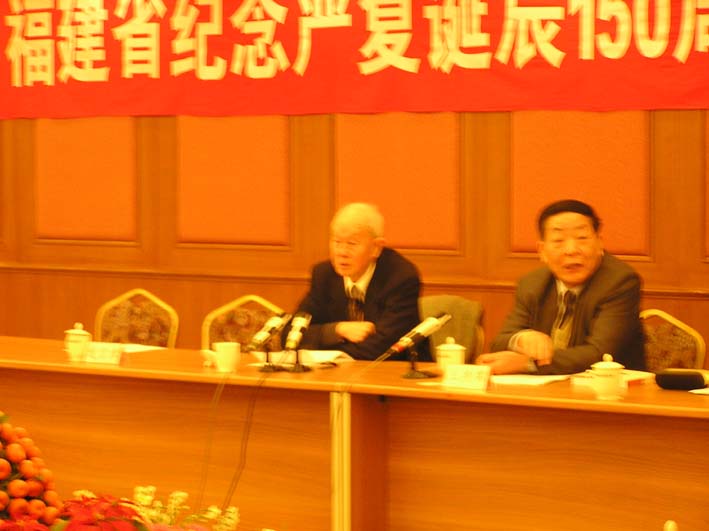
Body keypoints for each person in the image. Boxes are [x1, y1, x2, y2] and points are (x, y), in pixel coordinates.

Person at [477, 199, 645, 375]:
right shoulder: (532, 284)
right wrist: (521, 339)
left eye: (582, 238)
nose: (571, 250)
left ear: (599, 243)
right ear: (542, 251)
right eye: (558, 241)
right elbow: (500, 342)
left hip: (610, 386)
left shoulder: (620, 282)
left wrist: (527, 363)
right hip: (546, 387)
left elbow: (600, 353)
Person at [292, 202, 430, 361]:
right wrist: (337, 330)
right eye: (337, 242)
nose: (342, 252)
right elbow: (293, 333)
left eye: (352, 244)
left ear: (376, 248)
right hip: (335, 371)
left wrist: (326, 349)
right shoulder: (324, 275)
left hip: (395, 370)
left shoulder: (400, 278)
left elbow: (381, 348)